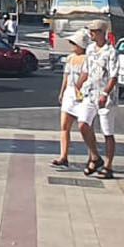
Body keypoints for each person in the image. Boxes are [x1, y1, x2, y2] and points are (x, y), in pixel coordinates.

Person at [79, 19, 120, 178]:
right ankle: (95, 157)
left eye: (94, 31)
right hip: (90, 92)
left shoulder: (111, 52)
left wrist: (105, 93)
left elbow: (113, 76)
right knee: (83, 124)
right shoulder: (90, 49)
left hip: (105, 97)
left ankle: (108, 166)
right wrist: (77, 85)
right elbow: (86, 70)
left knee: (107, 131)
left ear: (102, 33)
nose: (91, 34)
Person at [50, 30, 90, 168]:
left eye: (74, 43)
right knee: (64, 126)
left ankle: (92, 156)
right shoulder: (70, 58)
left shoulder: (88, 59)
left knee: (85, 127)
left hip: (83, 94)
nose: (72, 45)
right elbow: (66, 76)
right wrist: (62, 92)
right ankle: (63, 156)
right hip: (70, 93)